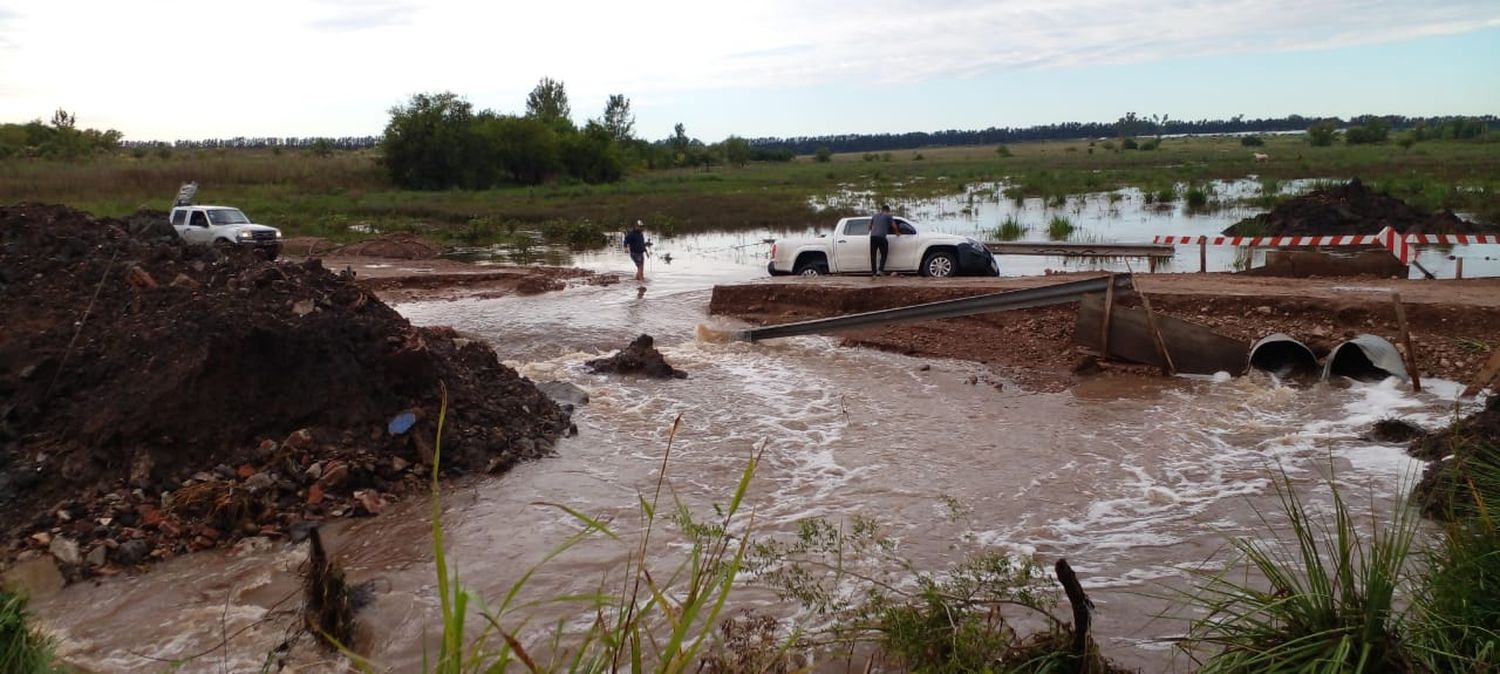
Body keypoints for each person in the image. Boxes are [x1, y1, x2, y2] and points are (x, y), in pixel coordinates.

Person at [868, 204, 899, 277]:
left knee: (873, 255)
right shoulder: (888, 216)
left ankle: (874, 273)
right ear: (888, 210)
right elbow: (894, 225)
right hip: (881, 237)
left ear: (881, 209)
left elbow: (869, 226)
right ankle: (880, 270)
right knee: (884, 254)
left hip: (873, 237)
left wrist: (871, 231)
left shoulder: (875, 215)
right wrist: (897, 232)